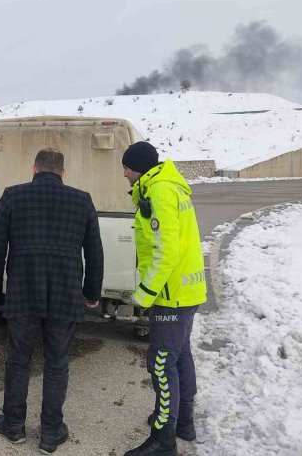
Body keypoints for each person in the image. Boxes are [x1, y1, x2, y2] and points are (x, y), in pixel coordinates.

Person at [0, 148, 104, 454]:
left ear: (34, 168)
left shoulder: (13, 195)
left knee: (18, 359)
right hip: (65, 293)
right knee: (57, 362)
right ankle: (50, 433)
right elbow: (94, 252)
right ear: (62, 173)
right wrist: (91, 293)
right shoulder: (82, 199)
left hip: (24, 291)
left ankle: (14, 426)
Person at [120, 141, 207, 456]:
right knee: (180, 356)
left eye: (126, 168)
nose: (124, 174)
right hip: (187, 290)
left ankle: (163, 439)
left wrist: (145, 293)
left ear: (136, 168)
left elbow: (165, 250)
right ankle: (182, 421)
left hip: (171, 296)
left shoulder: (158, 192)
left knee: (160, 363)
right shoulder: (172, 186)